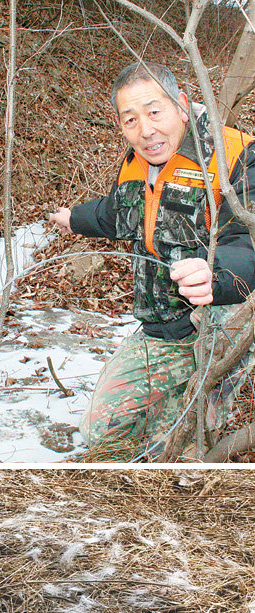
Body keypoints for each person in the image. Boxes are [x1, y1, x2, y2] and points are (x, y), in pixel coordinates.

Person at [50, 62, 255, 455]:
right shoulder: (135, 163)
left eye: (153, 111)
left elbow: (249, 240)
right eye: (130, 119)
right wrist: (73, 218)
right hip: (160, 330)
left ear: (181, 104)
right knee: (101, 434)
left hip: (220, 325)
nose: (145, 130)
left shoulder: (236, 155)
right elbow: (116, 213)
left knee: (181, 444)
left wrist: (214, 273)